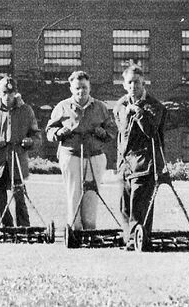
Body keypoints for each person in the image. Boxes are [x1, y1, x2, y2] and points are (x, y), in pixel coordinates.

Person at [45, 70, 115, 230]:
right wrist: (58, 132)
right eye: (77, 88)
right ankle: (74, 229)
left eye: (84, 87)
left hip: (95, 156)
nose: (81, 91)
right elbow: (49, 130)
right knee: (74, 192)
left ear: (89, 87)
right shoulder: (62, 107)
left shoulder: (100, 107)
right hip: (71, 155)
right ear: (71, 89)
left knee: (91, 194)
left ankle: (90, 228)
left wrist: (103, 133)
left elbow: (112, 131)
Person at [115, 64, 167, 248]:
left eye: (137, 82)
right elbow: (121, 132)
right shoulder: (120, 105)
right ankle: (129, 237)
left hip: (146, 161)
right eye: (129, 82)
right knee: (124, 204)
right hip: (125, 163)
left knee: (140, 203)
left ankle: (140, 238)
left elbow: (152, 132)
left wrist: (139, 114)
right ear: (124, 84)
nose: (133, 86)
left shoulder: (155, 106)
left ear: (143, 83)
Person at [0, 76, 40, 227]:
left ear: (16, 93)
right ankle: (7, 226)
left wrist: (30, 142)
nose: (7, 96)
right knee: (0, 200)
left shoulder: (26, 111)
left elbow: (36, 135)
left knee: (19, 196)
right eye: (4, 92)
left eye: (10, 93)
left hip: (17, 160)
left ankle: (24, 227)